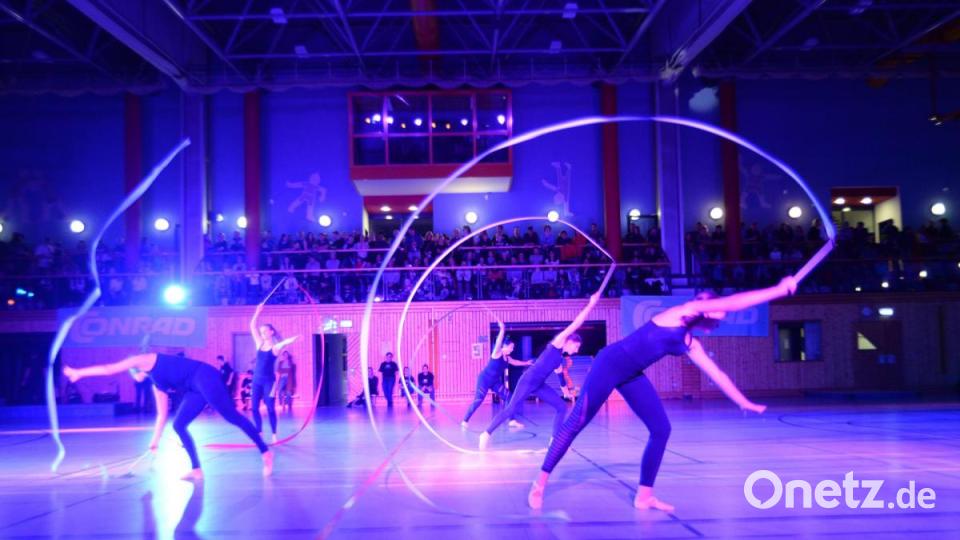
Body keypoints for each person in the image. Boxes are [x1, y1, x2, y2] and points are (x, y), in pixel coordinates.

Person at [527, 277, 797, 512]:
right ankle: (539, 483)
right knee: (576, 421)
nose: (720, 309)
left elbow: (718, 375)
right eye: (716, 305)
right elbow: (735, 302)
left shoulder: (690, 342)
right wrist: (779, 290)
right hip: (609, 363)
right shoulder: (681, 312)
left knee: (661, 429)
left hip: (632, 373)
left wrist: (744, 402)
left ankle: (645, 496)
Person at [62, 353, 274, 480]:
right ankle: (196, 469)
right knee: (179, 425)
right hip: (193, 389)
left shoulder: (144, 360)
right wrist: (154, 441)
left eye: (132, 372)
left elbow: (109, 369)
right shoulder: (157, 385)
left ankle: (265, 452)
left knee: (230, 416)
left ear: (134, 367)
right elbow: (161, 416)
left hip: (204, 375)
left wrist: (80, 373)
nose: (134, 376)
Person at [479, 292, 598, 450]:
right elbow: (576, 324)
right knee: (511, 409)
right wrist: (591, 304)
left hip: (539, 384)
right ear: (570, 341)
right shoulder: (557, 343)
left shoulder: (559, 359)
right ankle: (486, 433)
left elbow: (560, 375)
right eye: (576, 347)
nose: (576, 351)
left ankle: (554, 441)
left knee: (561, 407)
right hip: (528, 380)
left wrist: (566, 392)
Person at [461, 325, 532, 428]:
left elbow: (515, 362)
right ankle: (465, 421)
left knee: (509, 397)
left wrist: (526, 363)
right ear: (504, 346)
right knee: (478, 400)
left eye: (513, 348)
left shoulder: (507, 358)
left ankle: (511, 420)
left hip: (494, 382)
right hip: (484, 380)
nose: (512, 349)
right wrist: (502, 330)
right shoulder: (496, 353)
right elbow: (498, 341)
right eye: (511, 347)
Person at [249, 306, 299, 443]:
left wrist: (291, 340)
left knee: (270, 408)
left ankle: (274, 434)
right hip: (256, 381)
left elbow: (284, 342)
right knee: (254, 408)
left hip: (268, 382)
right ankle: (259, 432)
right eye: (261, 332)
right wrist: (258, 311)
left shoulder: (275, 348)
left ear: (271, 332)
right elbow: (252, 326)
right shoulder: (259, 344)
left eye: (265, 331)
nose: (262, 333)